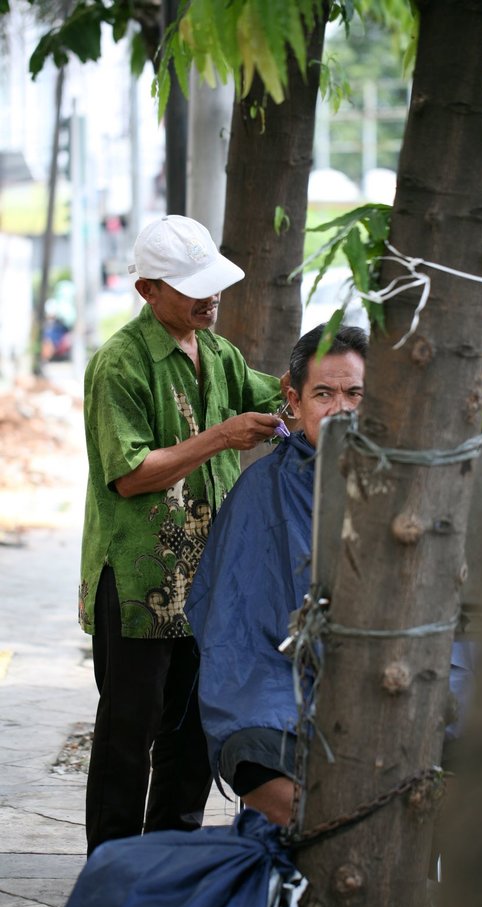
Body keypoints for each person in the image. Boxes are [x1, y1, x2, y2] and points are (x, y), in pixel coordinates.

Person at [80, 214, 288, 856]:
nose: (211, 297)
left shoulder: (220, 354)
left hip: (209, 582)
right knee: (128, 737)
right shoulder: (120, 364)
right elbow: (130, 476)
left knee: (196, 733)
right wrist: (221, 437)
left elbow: (278, 398)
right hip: (142, 582)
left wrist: (319, 390)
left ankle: (169, 863)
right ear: (148, 291)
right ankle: (111, 870)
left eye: (213, 283)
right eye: (192, 286)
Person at [185, 324, 368, 827]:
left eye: (355, 393)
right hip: (276, 674)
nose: (340, 409)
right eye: (324, 394)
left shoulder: (410, 484)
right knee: (255, 749)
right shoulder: (262, 489)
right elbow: (234, 626)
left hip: (387, 675)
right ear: (294, 397)